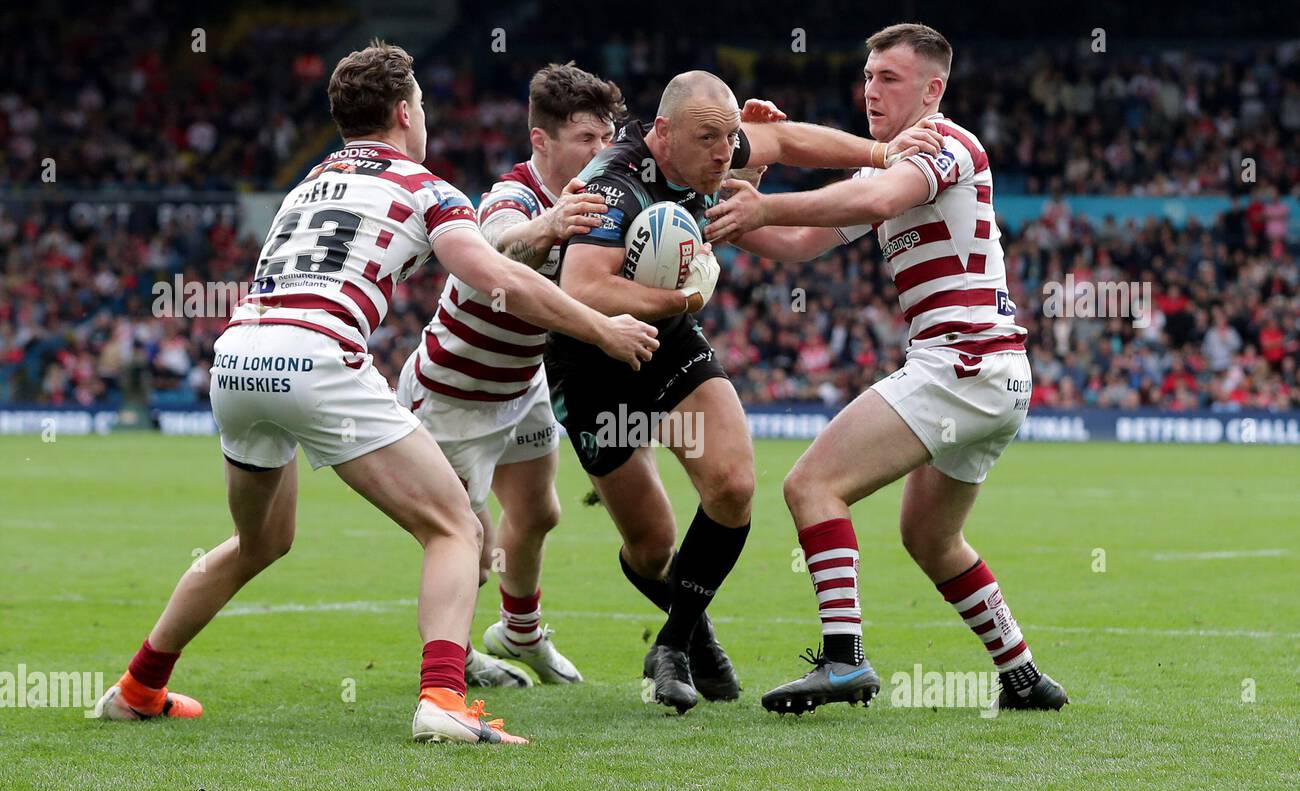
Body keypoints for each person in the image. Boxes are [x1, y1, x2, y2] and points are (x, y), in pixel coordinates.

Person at [94, 41, 657, 744]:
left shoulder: (308, 181)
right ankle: (443, 700)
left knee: (258, 542)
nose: (425, 118)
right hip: (317, 358)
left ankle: (139, 686)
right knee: (457, 527)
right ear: (403, 112)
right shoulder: (428, 188)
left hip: (237, 359)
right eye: (421, 105)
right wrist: (604, 329)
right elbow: (499, 278)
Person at [704, 23, 1068, 714]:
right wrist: (749, 179)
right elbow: (796, 244)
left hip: (961, 363)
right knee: (930, 537)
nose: (871, 90)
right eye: (868, 77)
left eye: (889, 79)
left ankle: (845, 661)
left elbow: (872, 204)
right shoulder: (885, 167)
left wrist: (764, 201)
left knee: (811, 486)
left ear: (932, 89)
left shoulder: (948, 143)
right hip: (992, 374)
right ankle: (1022, 676)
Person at [551, 69, 941, 713]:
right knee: (650, 548)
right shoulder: (611, 182)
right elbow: (582, 287)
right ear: (663, 133)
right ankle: (696, 630)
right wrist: (684, 295)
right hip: (591, 360)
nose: (722, 154)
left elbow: (784, 141)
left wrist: (880, 153)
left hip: (667, 340)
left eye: (730, 139)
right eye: (709, 139)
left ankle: (671, 644)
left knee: (732, 487)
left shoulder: (715, 147)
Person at [396, 62, 632, 689]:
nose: (601, 151)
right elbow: (500, 245)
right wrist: (550, 225)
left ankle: (520, 632)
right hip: (453, 394)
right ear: (541, 141)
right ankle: (459, 656)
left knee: (539, 511)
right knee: (464, 549)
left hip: (521, 382)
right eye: (586, 139)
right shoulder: (515, 194)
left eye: (607, 137)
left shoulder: (608, 197)